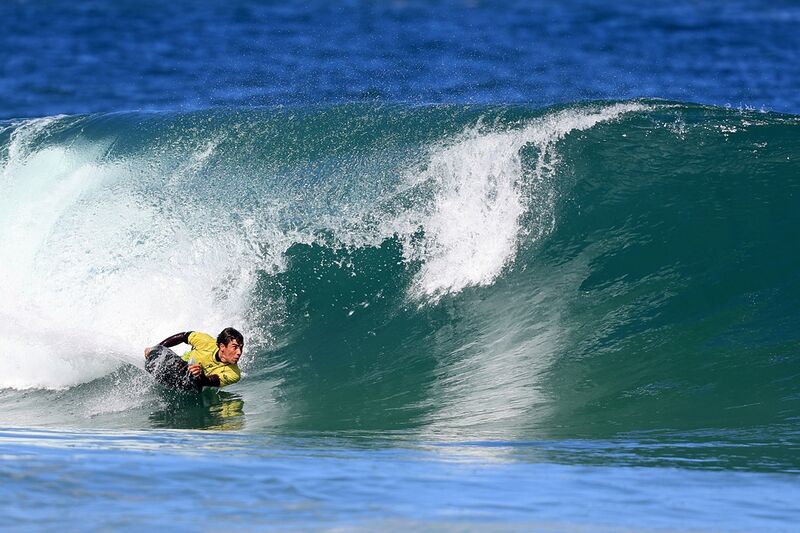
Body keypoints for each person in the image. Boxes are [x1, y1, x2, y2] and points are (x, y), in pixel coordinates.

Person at [144, 328, 244, 392]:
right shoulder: (205, 341)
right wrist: (157, 348)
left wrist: (200, 375)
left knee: (196, 384)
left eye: (241, 347)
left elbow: (208, 382)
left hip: (194, 385)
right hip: (178, 364)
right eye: (235, 347)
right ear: (222, 347)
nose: (239, 352)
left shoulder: (234, 374)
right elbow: (183, 337)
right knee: (170, 360)